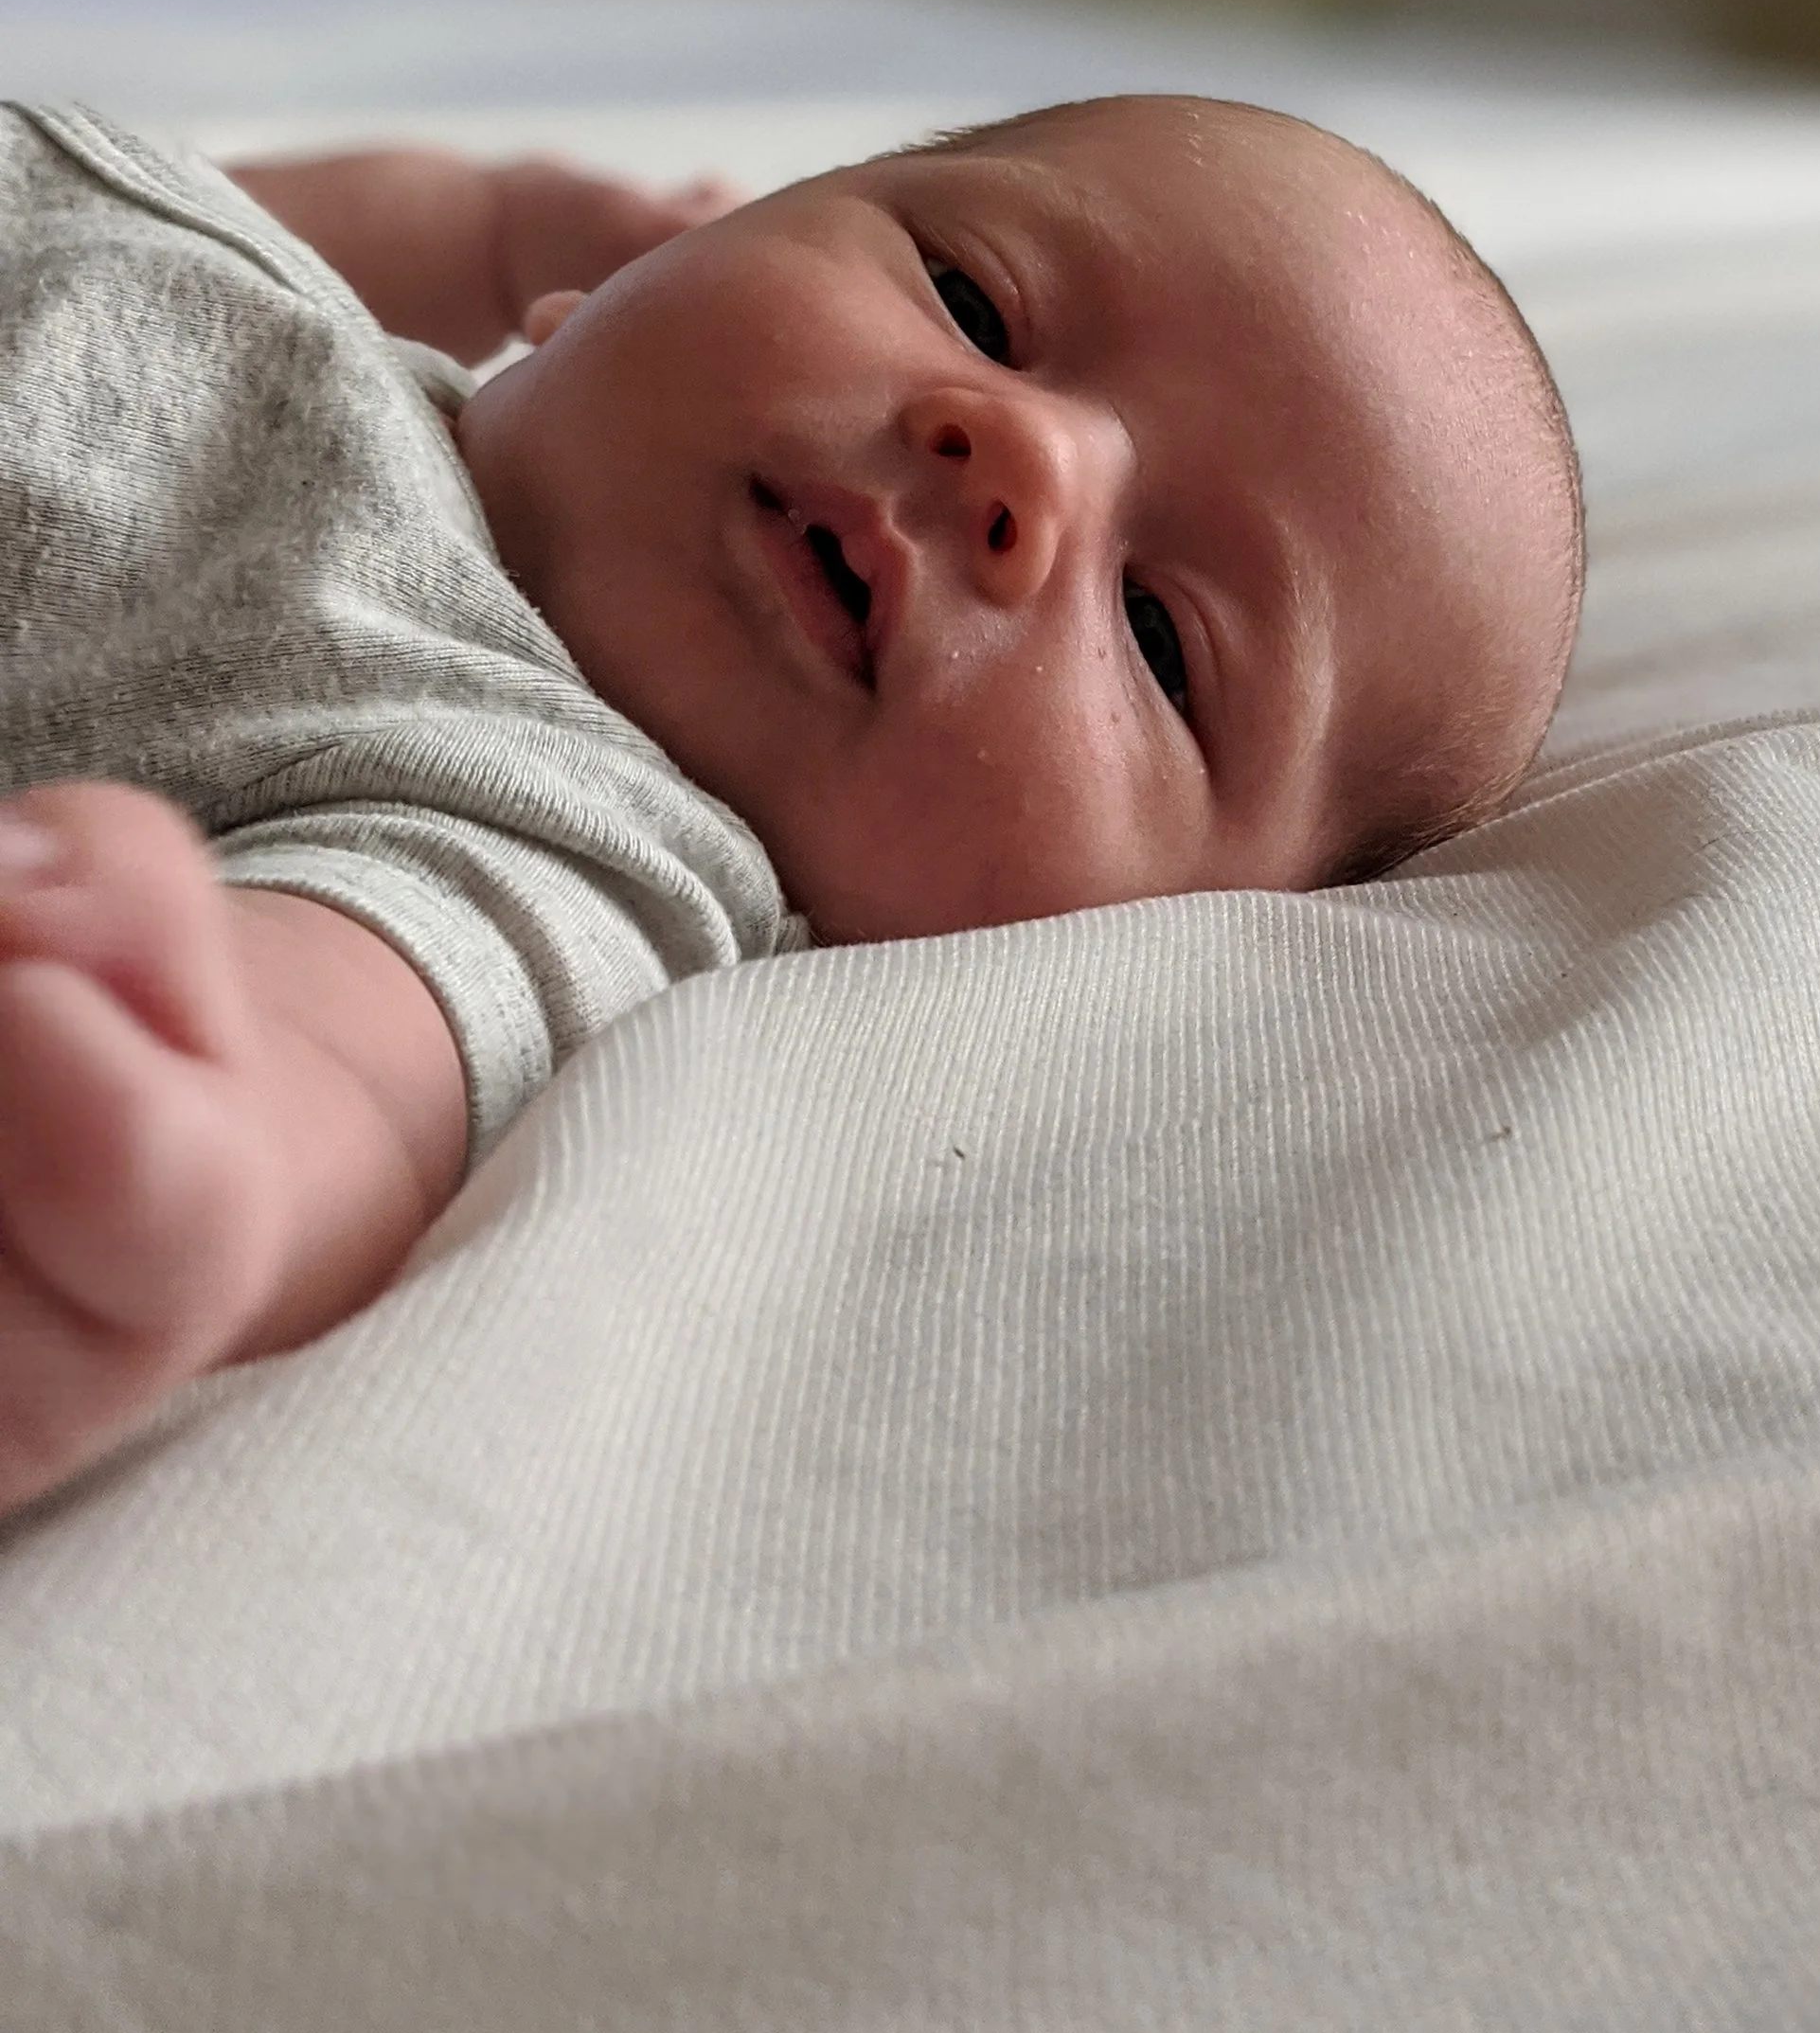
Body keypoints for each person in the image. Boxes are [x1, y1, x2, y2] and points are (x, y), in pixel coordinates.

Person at [0, 93, 1582, 1514]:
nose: (1023, 454)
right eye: (972, 300)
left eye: (1163, 641)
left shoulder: (559, 835)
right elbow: (231, 199)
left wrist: (146, 1129)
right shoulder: (299, 307)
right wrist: (502, 221)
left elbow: (344, 1064)